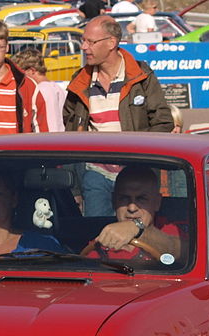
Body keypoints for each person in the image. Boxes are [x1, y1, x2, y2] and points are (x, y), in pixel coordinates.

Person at [63, 15, 173, 215]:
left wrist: (141, 160)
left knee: (138, 234)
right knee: (98, 235)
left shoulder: (142, 76)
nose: (83, 47)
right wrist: (75, 187)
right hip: (94, 174)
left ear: (111, 43)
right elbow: (70, 131)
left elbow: (163, 122)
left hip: (137, 174)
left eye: (90, 41)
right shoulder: (79, 82)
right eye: (83, 41)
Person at [87, 165, 186, 262]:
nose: (132, 208)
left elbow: (184, 251)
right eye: (124, 198)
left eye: (141, 199)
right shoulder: (99, 246)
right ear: (114, 201)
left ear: (157, 202)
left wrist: (139, 229)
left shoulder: (173, 229)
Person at [12, 48, 65, 132]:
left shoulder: (41, 90)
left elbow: (46, 122)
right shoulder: (56, 87)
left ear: (32, 70)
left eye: (21, 73)